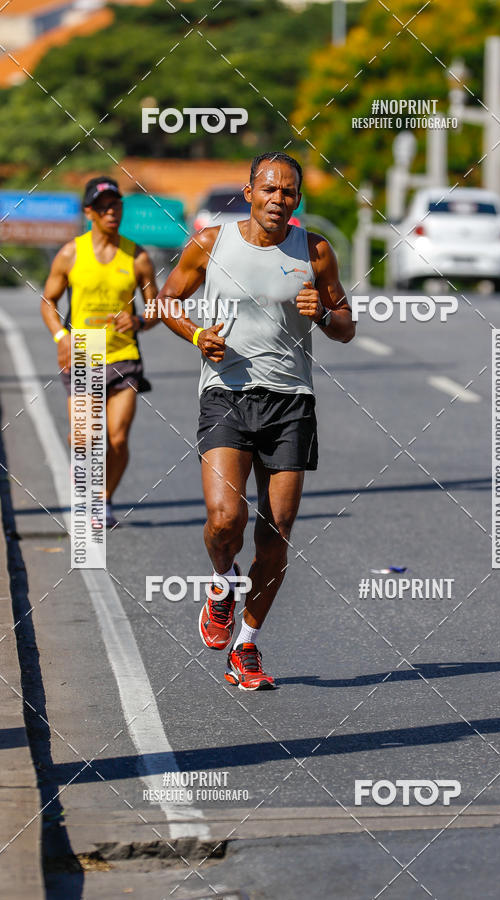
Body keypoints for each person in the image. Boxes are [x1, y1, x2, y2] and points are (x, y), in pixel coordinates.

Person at [157, 151, 355, 690]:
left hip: (291, 402)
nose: (279, 199)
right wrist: (197, 335)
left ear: (297, 199)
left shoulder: (314, 249)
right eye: (269, 189)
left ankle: (246, 646)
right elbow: (166, 300)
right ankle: (222, 584)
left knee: (276, 533)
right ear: (249, 193)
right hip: (227, 394)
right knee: (226, 521)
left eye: (289, 192)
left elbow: (345, 326)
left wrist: (324, 313)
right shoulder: (212, 243)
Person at [40, 176, 159, 527]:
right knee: (84, 436)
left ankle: (103, 501)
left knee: (117, 438)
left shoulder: (137, 257)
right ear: (89, 211)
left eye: (117, 205)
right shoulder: (70, 254)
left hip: (124, 357)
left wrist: (137, 321)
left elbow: (156, 311)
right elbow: (48, 302)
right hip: (82, 353)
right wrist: (61, 337)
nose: (112, 212)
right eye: (104, 207)